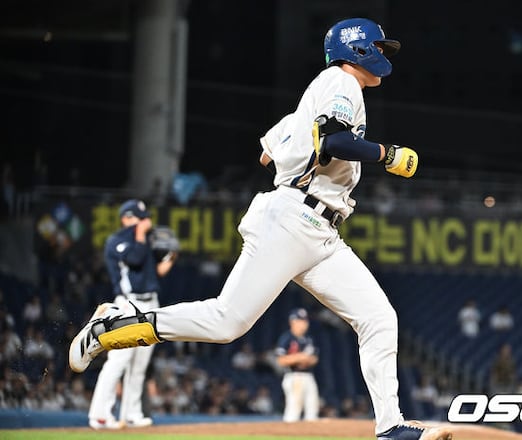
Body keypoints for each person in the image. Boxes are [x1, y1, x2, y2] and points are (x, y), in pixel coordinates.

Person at [69, 18, 451, 440]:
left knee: (378, 317)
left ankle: (390, 427)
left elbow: (269, 151)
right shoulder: (340, 82)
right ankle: (115, 327)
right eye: (378, 47)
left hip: (320, 232)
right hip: (294, 221)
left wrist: (290, 153)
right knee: (225, 322)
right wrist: (387, 153)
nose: (383, 55)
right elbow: (334, 141)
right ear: (357, 50)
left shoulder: (320, 95)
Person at [86, 199, 177, 430]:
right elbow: (133, 259)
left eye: (145, 218)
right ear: (126, 218)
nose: (146, 221)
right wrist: (140, 234)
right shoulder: (116, 241)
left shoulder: (145, 239)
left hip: (151, 303)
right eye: (140, 217)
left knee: (140, 365)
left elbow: (156, 271)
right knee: (118, 361)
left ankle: (132, 414)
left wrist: (171, 256)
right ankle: (100, 414)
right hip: (128, 304)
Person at [275, 307, 320, 422]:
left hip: (308, 375)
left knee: (312, 409)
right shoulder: (287, 338)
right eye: (300, 321)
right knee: (293, 411)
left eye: (305, 321)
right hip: (293, 376)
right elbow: (280, 360)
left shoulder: (309, 338)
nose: (304, 324)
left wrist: (307, 360)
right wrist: (300, 357)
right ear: (292, 321)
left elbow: (315, 358)